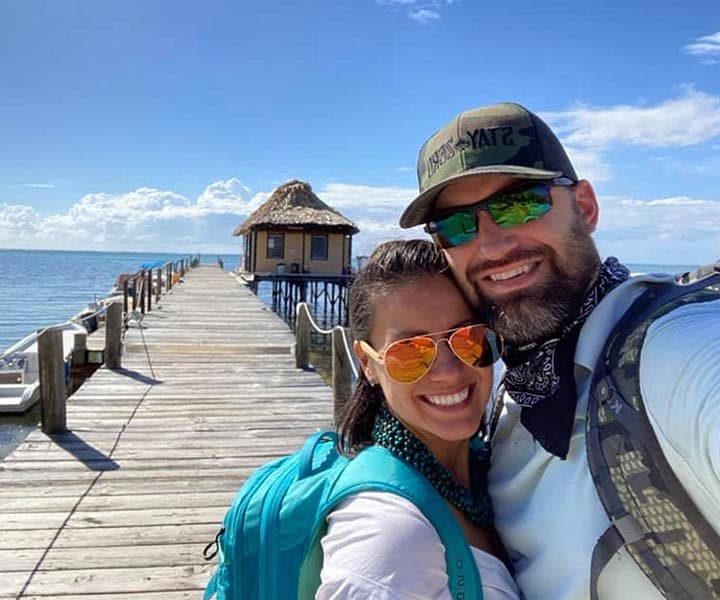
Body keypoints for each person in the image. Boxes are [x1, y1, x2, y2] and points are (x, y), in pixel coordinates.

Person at [398, 102, 720, 599]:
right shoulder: (505, 396)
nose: (492, 246)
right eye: (458, 227)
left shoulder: (671, 352)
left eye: (520, 204)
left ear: (585, 207)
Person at [317, 239, 521, 599]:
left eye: (469, 339)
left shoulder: (491, 466)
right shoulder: (385, 529)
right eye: (410, 352)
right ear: (367, 364)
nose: (449, 372)